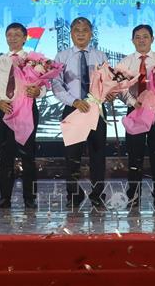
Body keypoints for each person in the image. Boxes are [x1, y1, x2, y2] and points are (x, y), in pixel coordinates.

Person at [52, 17, 109, 209]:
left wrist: (108, 94)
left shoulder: (100, 56)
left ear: (91, 33)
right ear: (71, 34)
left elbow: (107, 82)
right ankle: (74, 195)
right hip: (73, 108)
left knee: (98, 155)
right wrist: (74, 101)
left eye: (85, 30)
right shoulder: (62, 56)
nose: (81, 34)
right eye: (77, 30)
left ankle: (97, 195)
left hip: (96, 109)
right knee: (72, 156)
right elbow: (56, 84)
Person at [0, 23, 43, 210]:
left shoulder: (34, 60)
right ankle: (5, 198)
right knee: (6, 156)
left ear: (25, 38)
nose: (13, 38)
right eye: (9, 35)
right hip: (5, 109)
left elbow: (41, 85)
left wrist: (38, 92)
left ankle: (30, 198)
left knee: (28, 156)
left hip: (26, 110)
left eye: (17, 35)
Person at [118, 24, 155, 209]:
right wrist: (133, 102)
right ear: (132, 40)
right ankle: (133, 197)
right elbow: (120, 88)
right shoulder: (125, 62)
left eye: (145, 36)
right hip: (135, 111)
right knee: (135, 156)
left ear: (152, 39)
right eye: (138, 37)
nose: (141, 40)